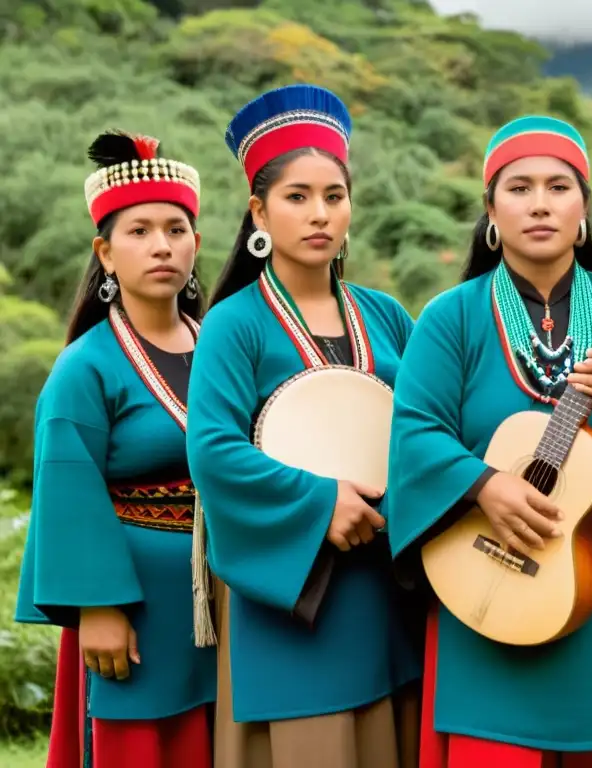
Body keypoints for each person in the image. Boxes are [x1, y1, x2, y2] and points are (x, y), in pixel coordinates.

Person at [386, 114, 592, 768]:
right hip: (489, 583)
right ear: (490, 209)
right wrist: (484, 484)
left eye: (559, 187)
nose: (539, 203)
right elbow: (414, 433)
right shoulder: (451, 318)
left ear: (584, 207)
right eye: (519, 187)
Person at [185, 84, 422, 768]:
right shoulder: (235, 323)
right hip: (292, 588)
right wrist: (321, 504)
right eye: (297, 197)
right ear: (258, 210)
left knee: (389, 737)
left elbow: (427, 429)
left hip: (382, 581)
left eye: (334, 195)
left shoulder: (384, 314)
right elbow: (215, 450)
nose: (320, 214)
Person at [14, 130, 216, 768]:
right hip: (137, 605)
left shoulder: (226, 346)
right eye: (139, 231)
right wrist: (99, 604)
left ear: (197, 245)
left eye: (177, 229)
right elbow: (65, 485)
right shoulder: (86, 367)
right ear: (104, 252)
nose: (162, 245)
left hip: (229, 590)